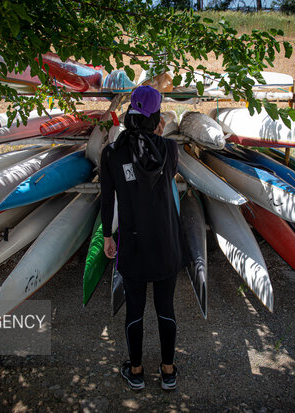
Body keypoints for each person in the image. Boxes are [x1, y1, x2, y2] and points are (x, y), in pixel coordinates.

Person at [99, 85, 186, 391]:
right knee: (166, 308)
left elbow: (107, 200)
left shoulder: (111, 153)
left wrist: (108, 237)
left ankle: (135, 372)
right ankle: (168, 371)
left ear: (129, 114)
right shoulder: (170, 150)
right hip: (166, 243)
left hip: (133, 243)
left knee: (135, 309)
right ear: (156, 117)